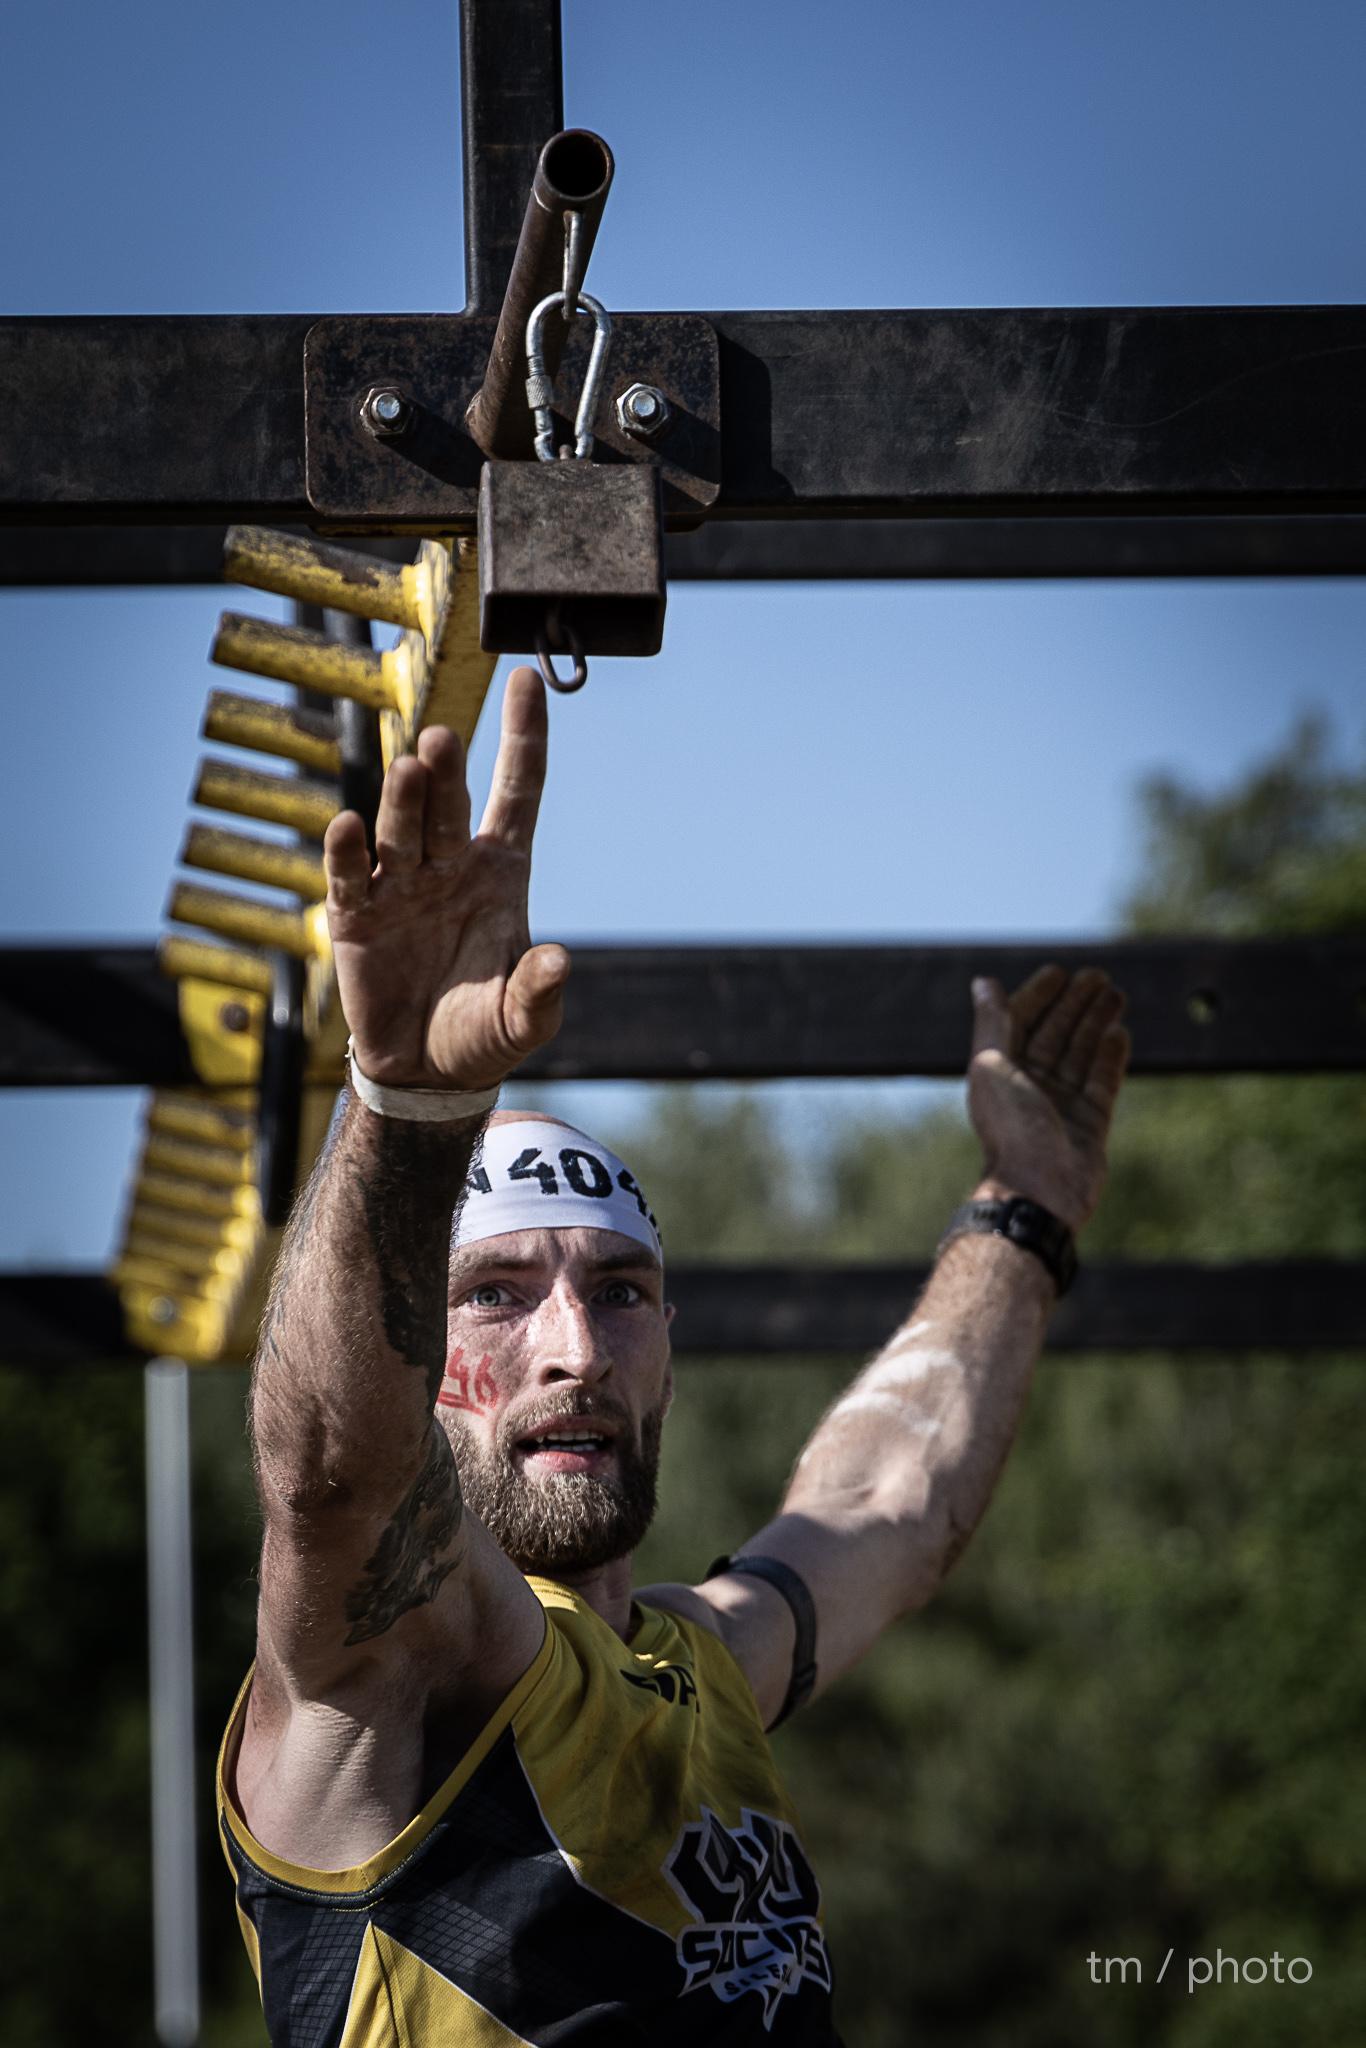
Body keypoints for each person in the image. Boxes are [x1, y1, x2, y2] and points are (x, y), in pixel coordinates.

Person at [216, 668, 1130, 2045]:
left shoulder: (698, 1668)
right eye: (498, 1295)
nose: (574, 1347)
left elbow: (893, 1502)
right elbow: (339, 1473)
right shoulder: (393, 1672)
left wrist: (1025, 1210)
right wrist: (407, 1104)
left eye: (622, 1291)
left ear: (670, 1349)